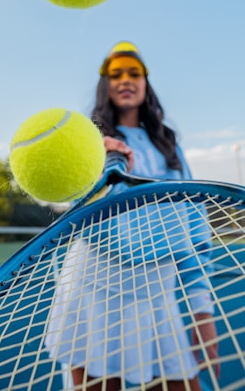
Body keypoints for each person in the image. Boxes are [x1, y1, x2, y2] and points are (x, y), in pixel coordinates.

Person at [46, 42, 219, 390]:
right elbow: (69, 207)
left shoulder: (171, 148)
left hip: (156, 289)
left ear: (146, 84)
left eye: (134, 73)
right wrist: (95, 164)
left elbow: (194, 229)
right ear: (105, 85)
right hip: (95, 288)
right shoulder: (89, 141)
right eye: (116, 74)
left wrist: (202, 312)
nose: (126, 80)